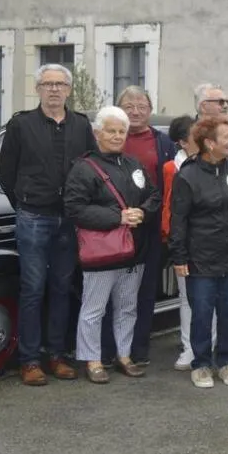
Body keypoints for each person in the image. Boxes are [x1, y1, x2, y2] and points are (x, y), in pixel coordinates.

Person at [0, 63, 96, 386]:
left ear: (69, 90)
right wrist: (24, 203)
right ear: (38, 88)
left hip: (68, 220)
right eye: (48, 84)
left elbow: (91, 168)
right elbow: (6, 174)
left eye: (60, 84)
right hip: (33, 217)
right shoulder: (21, 125)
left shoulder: (81, 125)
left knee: (61, 287)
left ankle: (56, 355)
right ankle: (29, 360)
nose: (54, 89)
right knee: (32, 288)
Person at [63, 106, 160, 383]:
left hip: (133, 252)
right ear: (97, 133)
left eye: (121, 131)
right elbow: (75, 208)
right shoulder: (84, 168)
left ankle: (124, 355)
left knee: (127, 308)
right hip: (102, 254)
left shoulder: (133, 164)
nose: (117, 136)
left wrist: (143, 211)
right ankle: (92, 360)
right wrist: (118, 217)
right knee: (94, 310)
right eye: (111, 131)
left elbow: (153, 195)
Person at [169, 116, 228, 389]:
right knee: (202, 312)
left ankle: (227, 361)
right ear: (209, 143)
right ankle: (201, 364)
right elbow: (178, 220)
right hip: (200, 257)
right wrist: (179, 256)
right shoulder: (187, 175)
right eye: (227, 137)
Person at [112, 85, 176, 367]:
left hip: (150, 223)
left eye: (142, 106)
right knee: (112, 290)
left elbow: (170, 185)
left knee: (145, 289)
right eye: (129, 106)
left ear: (150, 110)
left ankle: (138, 348)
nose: (135, 111)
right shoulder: (109, 138)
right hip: (113, 224)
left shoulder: (164, 143)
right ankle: (110, 348)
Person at [160, 115, 216, 371]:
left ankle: (211, 345)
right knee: (188, 297)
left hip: (212, 239)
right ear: (183, 142)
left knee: (212, 297)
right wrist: (173, 240)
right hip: (185, 241)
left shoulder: (215, 163)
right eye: (196, 136)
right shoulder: (171, 168)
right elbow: (169, 207)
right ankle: (189, 347)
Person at [193, 83, 228, 150]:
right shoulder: (185, 136)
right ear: (204, 106)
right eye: (221, 102)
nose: (226, 106)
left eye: (227, 102)